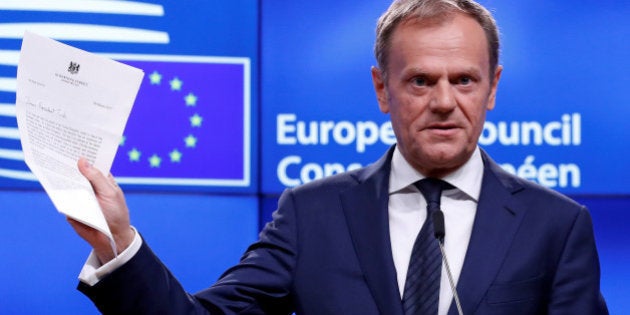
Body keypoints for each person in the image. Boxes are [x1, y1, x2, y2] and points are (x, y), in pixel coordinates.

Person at [69, 0, 609, 314]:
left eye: (464, 79)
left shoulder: (556, 226)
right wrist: (119, 245)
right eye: (420, 80)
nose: (444, 101)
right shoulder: (312, 214)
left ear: (491, 88)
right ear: (382, 90)